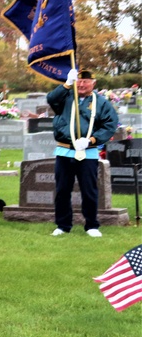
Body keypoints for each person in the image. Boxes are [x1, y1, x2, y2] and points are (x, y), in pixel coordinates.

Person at [47, 68, 119, 237]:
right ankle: (63, 225)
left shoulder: (101, 102)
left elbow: (110, 124)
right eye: (79, 80)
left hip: (88, 152)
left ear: (93, 83)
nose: (82, 84)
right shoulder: (66, 98)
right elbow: (51, 99)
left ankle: (92, 225)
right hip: (65, 151)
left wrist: (91, 140)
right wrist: (66, 84)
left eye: (86, 81)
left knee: (89, 190)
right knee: (62, 189)